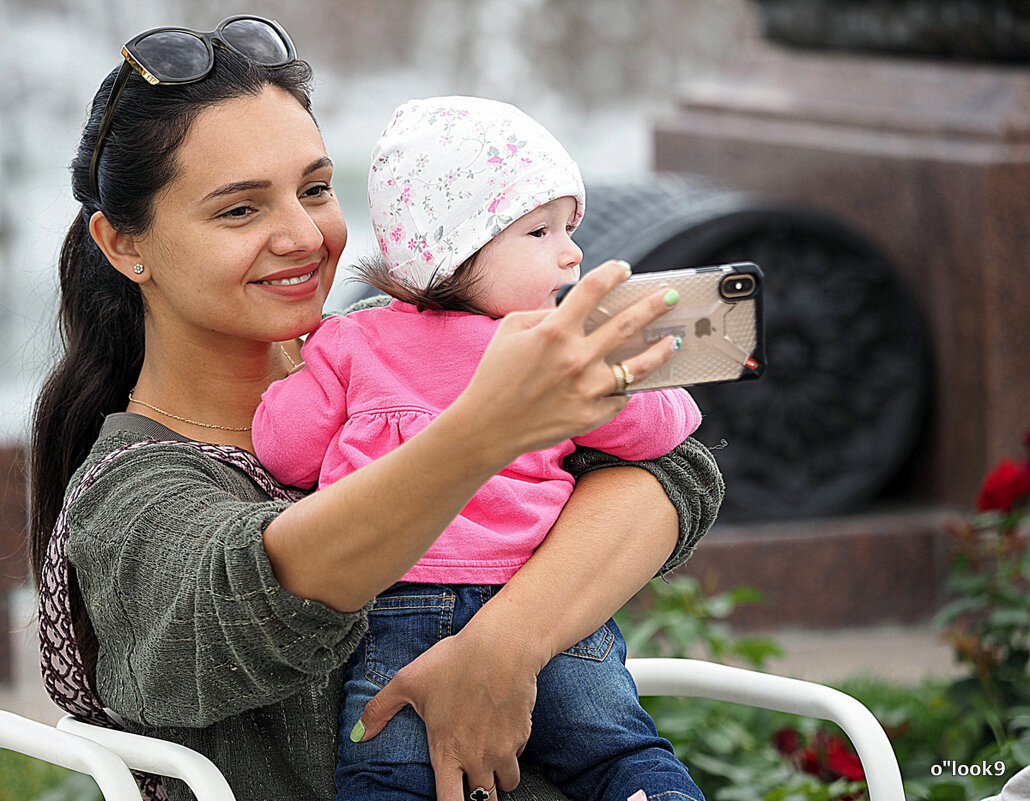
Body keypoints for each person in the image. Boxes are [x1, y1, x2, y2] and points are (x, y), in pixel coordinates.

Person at [28, 15, 724, 801]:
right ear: (125, 245)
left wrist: (502, 646)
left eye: (316, 189)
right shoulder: (128, 496)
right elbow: (254, 580)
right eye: (239, 210)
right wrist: (486, 427)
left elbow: (671, 470)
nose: (303, 235)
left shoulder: (386, 346)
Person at [252, 95, 706, 801]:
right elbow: (655, 434)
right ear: (452, 250)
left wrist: (293, 367)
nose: (571, 251)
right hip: (545, 608)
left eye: (569, 227)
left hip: (399, 611)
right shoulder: (552, 352)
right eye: (538, 231)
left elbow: (285, 450)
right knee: (617, 751)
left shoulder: (352, 342)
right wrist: (640, 368)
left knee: (387, 771)